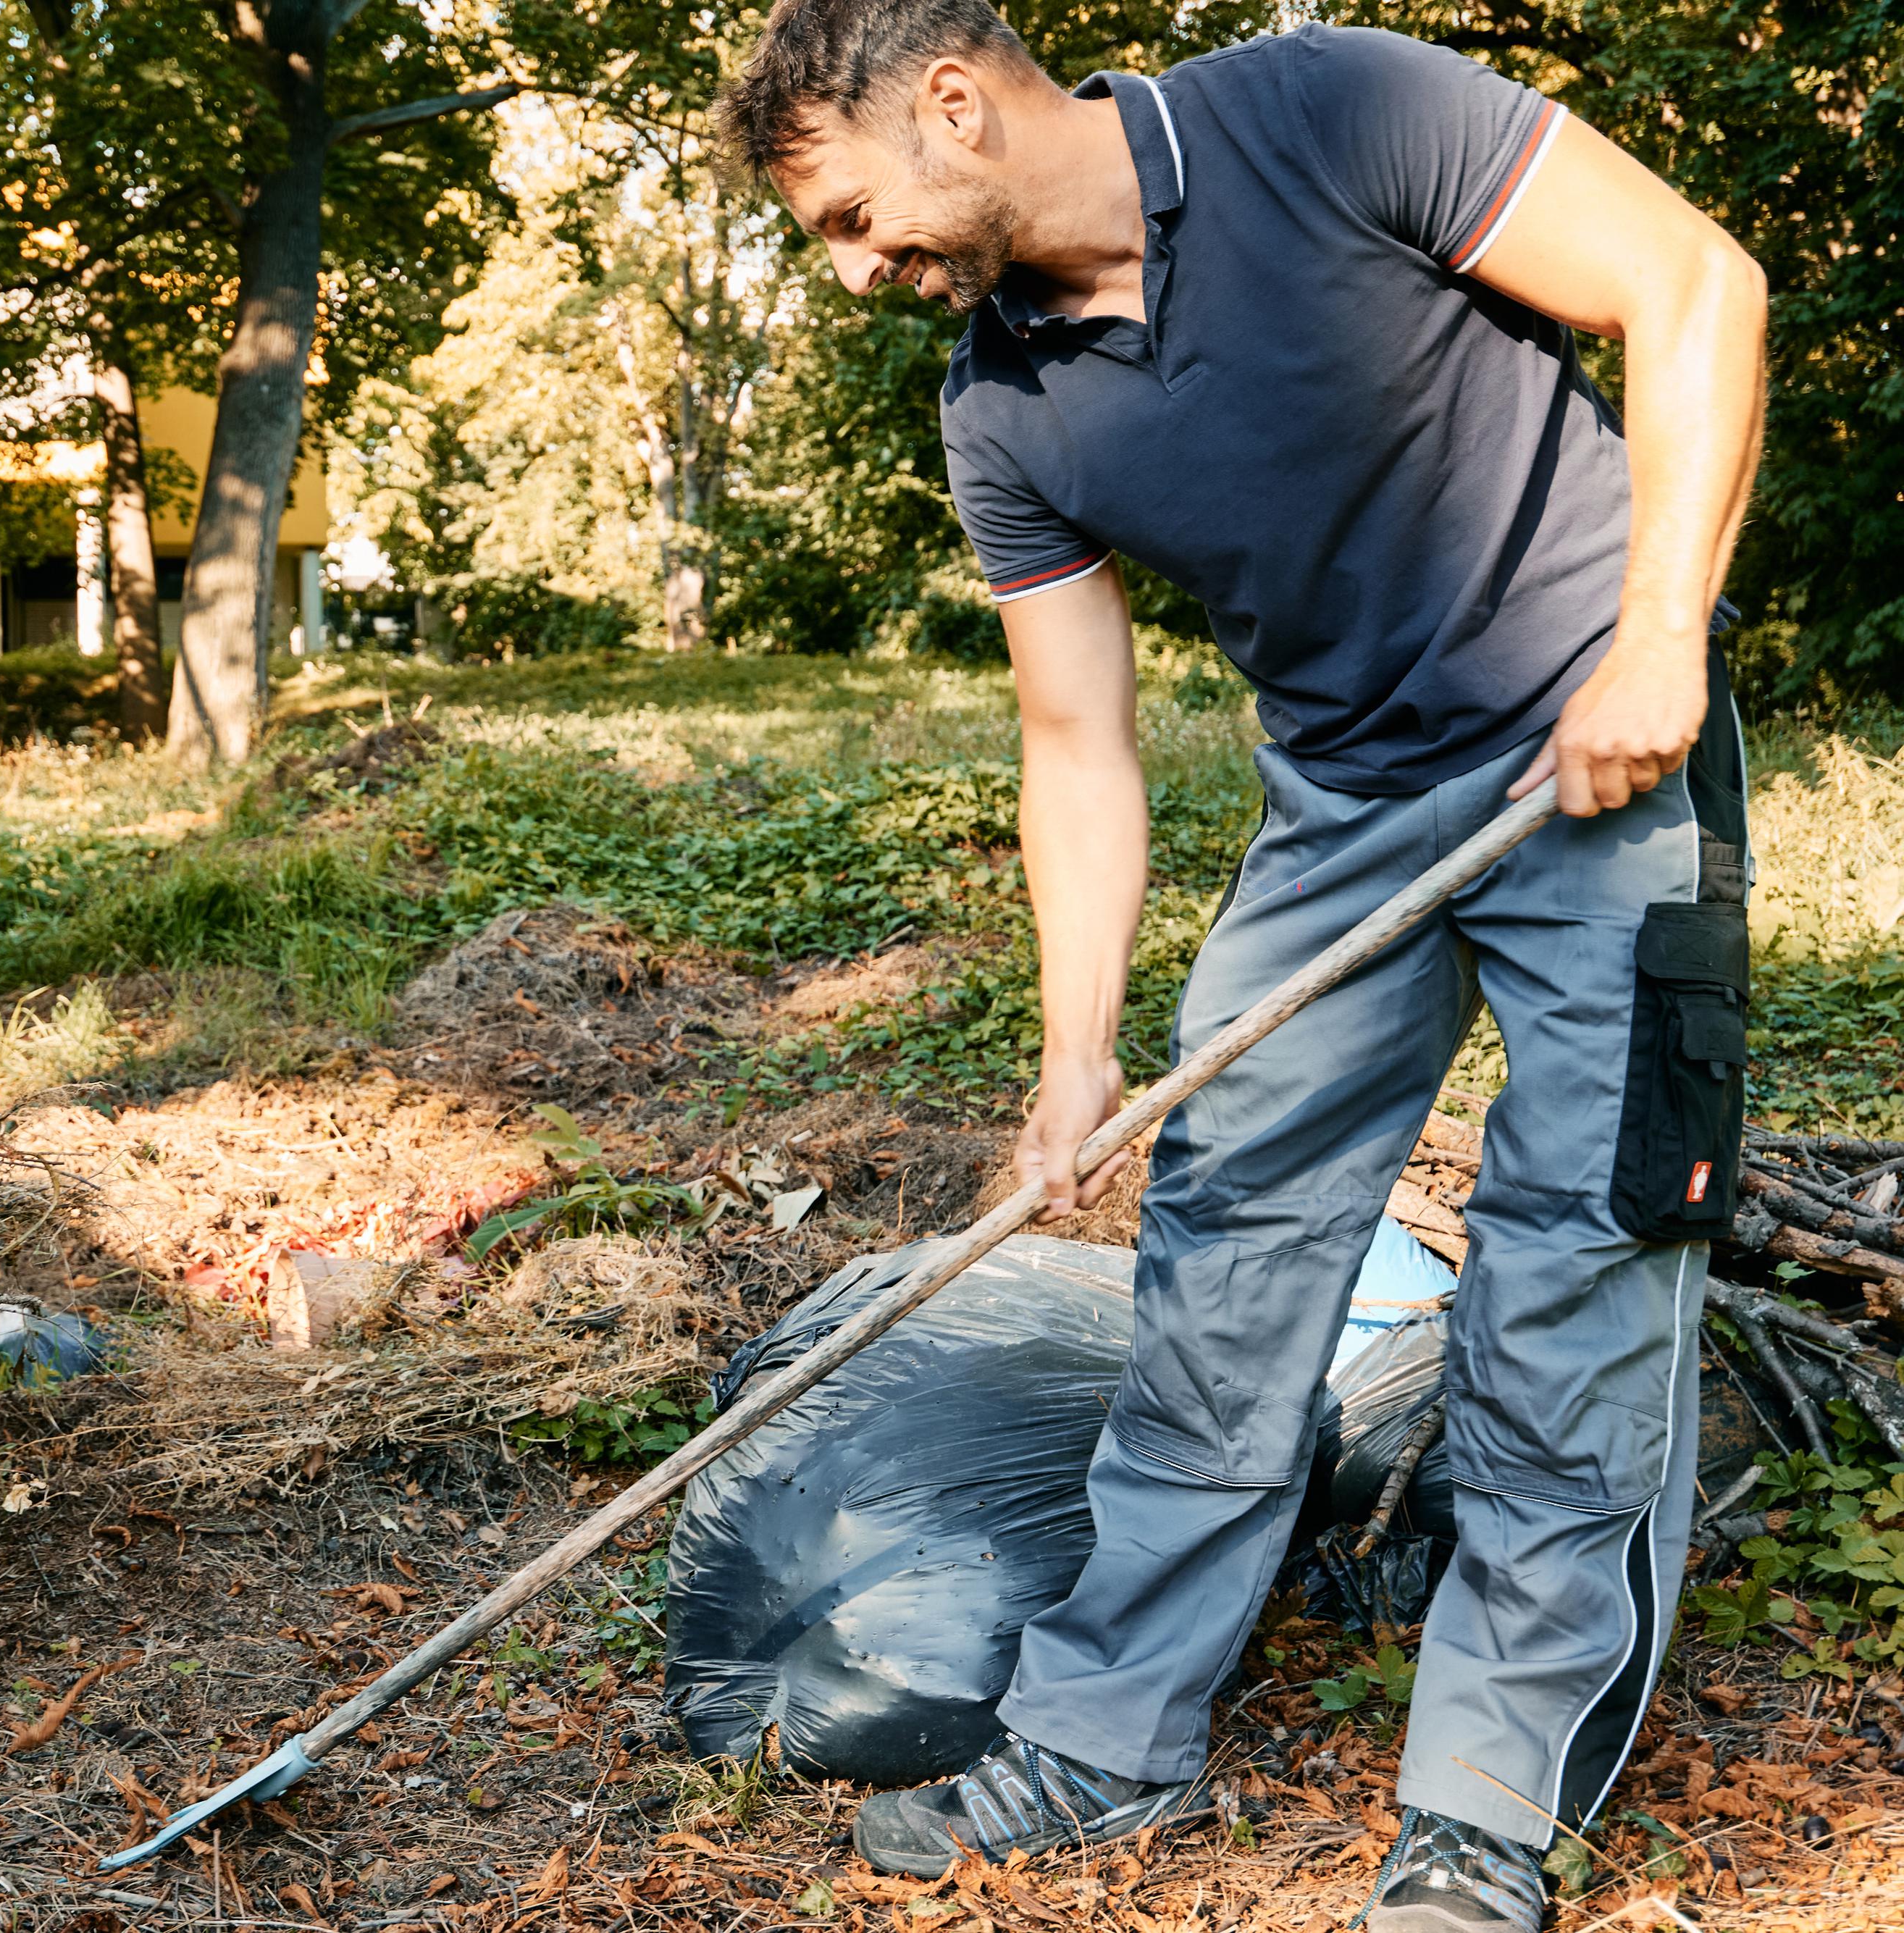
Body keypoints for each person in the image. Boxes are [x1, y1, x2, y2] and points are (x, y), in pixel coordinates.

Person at [718, 7, 1763, 1928]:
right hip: (1347, 802)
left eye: (858, 215)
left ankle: (1483, 1804)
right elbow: (1076, 741)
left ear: (951, 101)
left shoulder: (1331, 108)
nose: (861, 271)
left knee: (1571, 1271)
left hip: (1592, 745)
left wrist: (1658, 639)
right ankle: (1105, 1741)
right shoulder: (1003, 408)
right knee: (1222, 1263)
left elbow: (1695, 284)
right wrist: (1073, 1054)